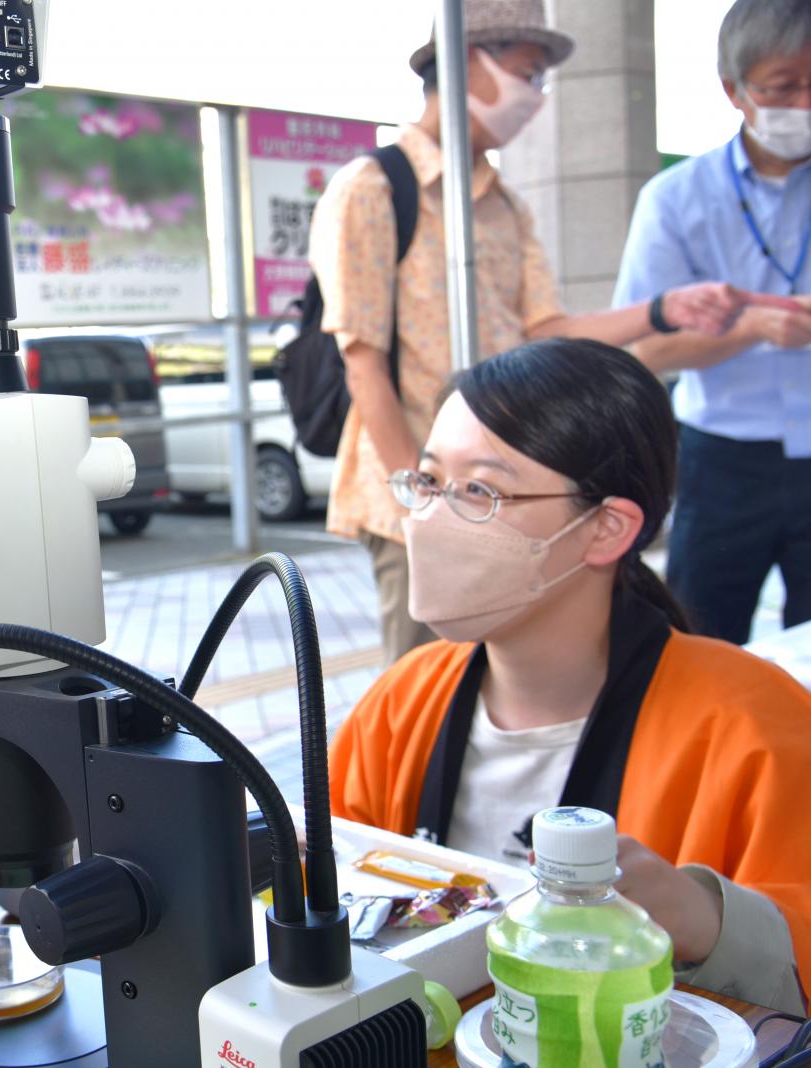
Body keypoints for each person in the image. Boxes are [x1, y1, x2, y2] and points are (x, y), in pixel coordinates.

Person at [329, 338, 810, 1014]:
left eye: (480, 491)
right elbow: (334, 886)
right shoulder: (403, 699)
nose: (430, 519)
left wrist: (704, 917)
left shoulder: (757, 723)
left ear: (607, 527)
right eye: (429, 481)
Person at [309, 0, 766, 665]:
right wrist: (424, 505)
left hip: (507, 494)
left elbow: (550, 330)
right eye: (527, 73)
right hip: (422, 491)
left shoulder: (505, 204)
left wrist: (663, 310)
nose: (536, 96)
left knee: (515, 666)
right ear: (468, 63)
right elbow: (364, 364)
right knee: (428, 673)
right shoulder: (372, 188)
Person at [614, 0, 811, 644]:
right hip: (720, 457)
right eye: (784, 86)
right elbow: (645, 350)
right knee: (700, 642)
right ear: (735, 89)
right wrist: (752, 329)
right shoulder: (676, 199)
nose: (804, 103)